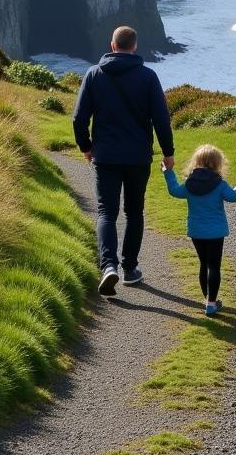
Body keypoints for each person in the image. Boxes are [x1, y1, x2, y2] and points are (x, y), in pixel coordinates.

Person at [73, 25, 175, 296]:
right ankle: (130, 269)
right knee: (134, 211)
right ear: (135, 46)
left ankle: (109, 266)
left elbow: (79, 118)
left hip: (105, 155)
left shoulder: (94, 74)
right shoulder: (148, 77)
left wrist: (86, 146)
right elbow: (161, 119)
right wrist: (168, 151)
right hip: (138, 157)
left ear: (112, 44)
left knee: (107, 212)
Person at [162, 144, 236, 316]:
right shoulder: (219, 184)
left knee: (204, 264)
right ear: (217, 163)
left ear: (197, 161)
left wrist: (168, 172)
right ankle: (211, 303)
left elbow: (174, 190)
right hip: (216, 232)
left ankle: (207, 298)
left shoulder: (189, 183)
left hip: (196, 231)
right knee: (214, 266)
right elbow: (234, 196)